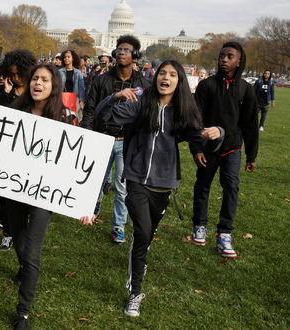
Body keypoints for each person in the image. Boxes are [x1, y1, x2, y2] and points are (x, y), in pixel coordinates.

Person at [86, 60, 223, 318]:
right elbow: (103, 119)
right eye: (162, 73)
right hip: (136, 179)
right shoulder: (140, 105)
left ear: (179, 81)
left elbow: (201, 142)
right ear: (155, 77)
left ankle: (139, 259)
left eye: (172, 75)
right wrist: (114, 98)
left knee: (145, 238)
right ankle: (135, 292)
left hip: (163, 185)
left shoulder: (183, 111)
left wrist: (219, 133)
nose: (166, 78)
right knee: (142, 232)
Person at [0, 63, 92, 330]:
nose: (38, 84)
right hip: (13, 192)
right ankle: (24, 267)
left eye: (45, 80)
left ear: (53, 86)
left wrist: (84, 201)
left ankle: (22, 312)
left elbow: (76, 162)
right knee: (19, 241)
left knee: (31, 251)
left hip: (43, 196)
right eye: (35, 79)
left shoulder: (65, 118)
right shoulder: (13, 113)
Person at [190, 41, 258, 258]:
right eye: (222, 56)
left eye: (230, 56)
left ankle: (224, 234)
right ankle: (199, 227)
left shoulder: (246, 89)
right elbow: (195, 121)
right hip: (208, 149)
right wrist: (197, 149)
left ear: (239, 61)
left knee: (231, 188)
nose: (224, 60)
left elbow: (250, 125)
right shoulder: (206, 85)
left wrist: (251, 156)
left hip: (232, 148)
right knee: (202, 186)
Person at [81, 35, 150, 243]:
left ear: (135, 55)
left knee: (122, 188)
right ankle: (92, 208)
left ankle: (118, 225)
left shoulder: (144, 85)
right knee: (96, 180)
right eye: (119, 49)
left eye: (127, 50)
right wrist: (87, 133)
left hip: (126, 141)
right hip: (102, 137)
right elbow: (90, 109)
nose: (121, 52)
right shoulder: (102, 80)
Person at [0, 49, 37, 251]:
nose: (16, 78)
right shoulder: (0, 93)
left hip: (27, 151)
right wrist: (5, 96)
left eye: (20, 74)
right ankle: (8, 228)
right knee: (3, 196)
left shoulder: (34, 94)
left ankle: (13, 232)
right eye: (12, 74)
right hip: (4, 151)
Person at [58, 49, 86, 118]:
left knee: (72, 118)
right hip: (61, 98)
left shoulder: (78, 73)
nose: (66, 58)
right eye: (65, 57)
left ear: (73, 59)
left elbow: (81, 88)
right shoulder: (59, 72)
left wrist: (81, 100)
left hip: (74, 99)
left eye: (68, 57)